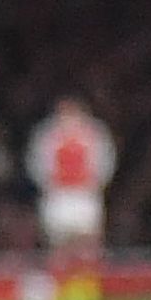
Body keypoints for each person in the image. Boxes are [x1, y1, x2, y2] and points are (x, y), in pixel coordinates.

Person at [31, 94, 117, 289]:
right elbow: (38, 166)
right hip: (58, 196)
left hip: (84, 195)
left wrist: (92, 184)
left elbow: (104, 164)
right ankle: (60, 289)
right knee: (59, 248)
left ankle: (88, 291)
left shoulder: (95, 133)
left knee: (88, 247)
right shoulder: (46, 134)